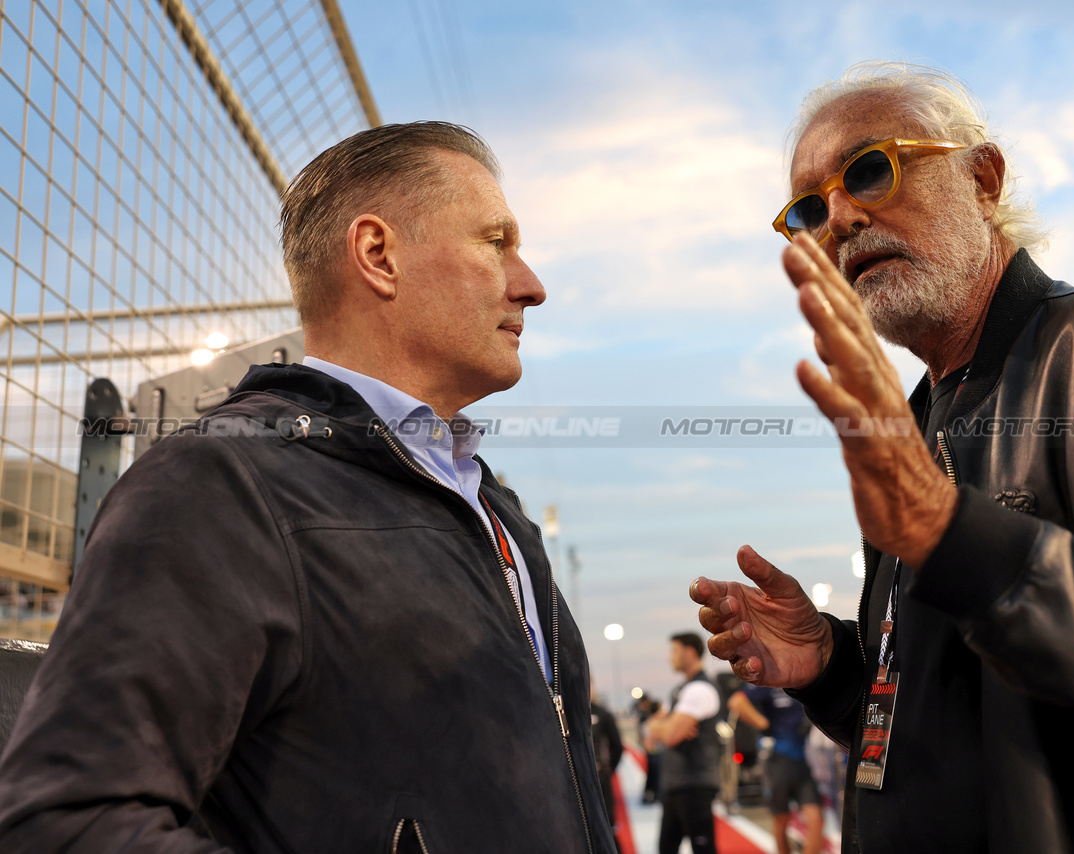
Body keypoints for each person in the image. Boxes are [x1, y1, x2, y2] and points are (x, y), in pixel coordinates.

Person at [690, 62, 1074, 853]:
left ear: (984, 178)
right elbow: (970, 723)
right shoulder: (918, 418)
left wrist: (957, 536)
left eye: (871, 169)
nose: (838, 216)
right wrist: (833, 668)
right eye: (806, 208)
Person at [0, 122, 616, 853]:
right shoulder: (222, 483)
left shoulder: (496, 512)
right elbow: (67, 823)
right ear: (378, 255)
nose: (531, 284)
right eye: (495, 242)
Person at [645, 632, 722, 854]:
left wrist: (664, 727)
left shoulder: (700, 690)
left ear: (689, 652)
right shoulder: (682, 691)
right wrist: (664, 726)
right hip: (676, 785)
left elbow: (669, 735)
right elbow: (650, 734)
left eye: (674, 651)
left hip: (694, 784)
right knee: (666, 848)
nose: (671, 657)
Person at [728, 686, 825, 854]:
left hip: (803, 759)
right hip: (777, 760)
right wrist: (763, 724)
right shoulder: (770, 683)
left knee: (816, 818)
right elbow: (736, 702)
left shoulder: (802, 681)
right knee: (781, 818)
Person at [591, 685, 624, 846]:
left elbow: (617, 746)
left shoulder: (603, 714)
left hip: (601, 781)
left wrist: (607, 772)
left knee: (608, 830)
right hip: (575, 784)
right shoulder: (568, 712)